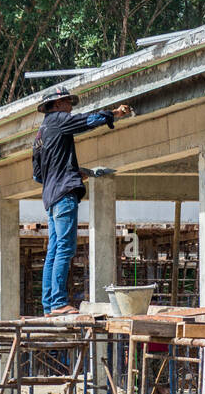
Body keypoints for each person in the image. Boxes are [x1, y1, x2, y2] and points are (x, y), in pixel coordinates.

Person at [35, 89, 132, 315]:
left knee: (54, 250)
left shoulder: (39, 135)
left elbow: (38, 175)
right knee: (65, 249)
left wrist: (73, 171)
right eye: (68, 102)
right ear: (57, 104)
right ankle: (59, 302)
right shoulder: (59, 120)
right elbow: (85, 121)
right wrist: (113, 114)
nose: (71, 106)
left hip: (50, 198)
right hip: (63, 196)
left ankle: (49, 305)